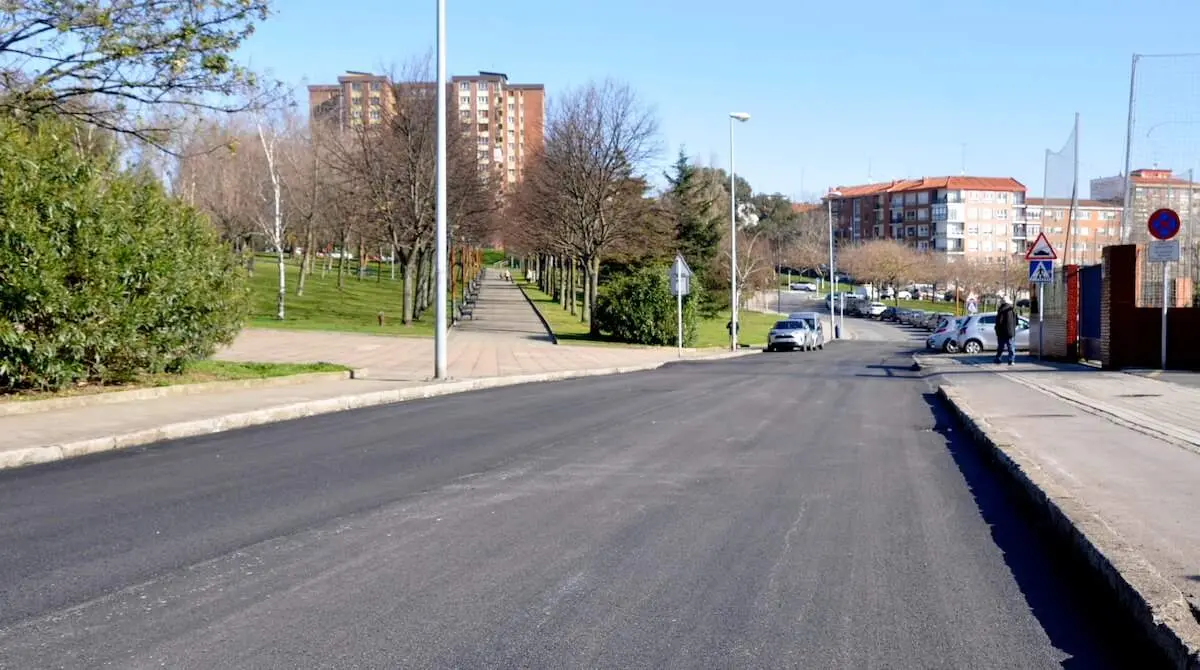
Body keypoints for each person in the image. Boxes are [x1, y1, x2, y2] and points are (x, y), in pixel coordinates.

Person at [994, 297, 1017, 365]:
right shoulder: (1012, 310)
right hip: (1010, 331)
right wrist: (1013, 328)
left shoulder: (1001, 310)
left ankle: (998, 359)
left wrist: (997, 329)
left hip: (1001, 332)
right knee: (1011, 347)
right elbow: (1016, 321)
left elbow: (999, 322)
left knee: (1000, 347)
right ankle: (1011, 360)